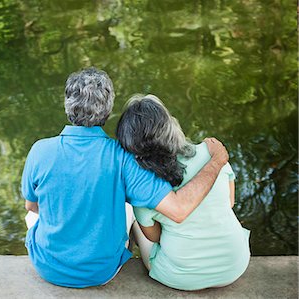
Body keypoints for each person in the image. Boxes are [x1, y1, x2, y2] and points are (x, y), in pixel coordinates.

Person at [21, 67, 229, 288]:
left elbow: (31, 206)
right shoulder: (123, 157)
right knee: (131, 210)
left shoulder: (39, 151)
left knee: (32, 217)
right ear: (109, 109)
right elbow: (178, 209)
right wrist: (216, 161)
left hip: (47, 267)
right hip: (101, 272)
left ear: (67, 105)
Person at [116, 94, 251, 291]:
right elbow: (229, 202)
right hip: (234, 266)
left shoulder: (144, 188)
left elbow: (156, 238)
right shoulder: (212, 152)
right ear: (170, 125)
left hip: (180, 277)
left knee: (136, 219)